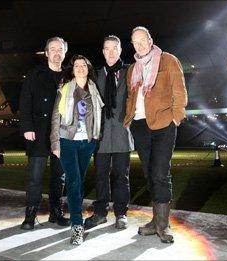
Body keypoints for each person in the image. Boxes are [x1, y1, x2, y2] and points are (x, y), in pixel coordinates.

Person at [123, 26, 188, 243]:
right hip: (140, 126)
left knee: (160, 173)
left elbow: (179, 91)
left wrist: (175, 118)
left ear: (151, 40)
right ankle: (155, 220)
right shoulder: (132, 69)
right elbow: (131, 97)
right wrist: (129, 118)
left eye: (143, 40)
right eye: (135, 42)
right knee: (150, 174)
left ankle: (163, 225)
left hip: (163, 124)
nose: (140, 45)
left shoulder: (168, 60)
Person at [50, 54, 104, 245]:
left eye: (84, 65)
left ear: (88, 69)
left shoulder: (94, 90)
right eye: (77, 65)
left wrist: (95, 135)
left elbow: (98, 116)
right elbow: (56, 117)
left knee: (79, 182)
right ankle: (77, 226)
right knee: (73, 182)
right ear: (72, 70)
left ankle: (75, 214)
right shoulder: (65, 89)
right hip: (67, 141)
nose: (80, 68)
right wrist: (55, 143)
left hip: (86, 143)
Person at [19, 37, 70, 230]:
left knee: (60, 176)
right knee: (35, 176)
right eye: (53, 49)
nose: (57, 52)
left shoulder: (69, 75)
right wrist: (27, 126)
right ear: (47, 53)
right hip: (38, 132)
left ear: (64, 53)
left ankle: (55, 213)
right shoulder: (35, 74)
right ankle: (30, 214)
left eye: (60, 49)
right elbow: (25, 101)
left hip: (62, 133)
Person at [84, 35, 134, 230]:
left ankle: (121, 213)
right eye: (107, 48)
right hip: (101, 135)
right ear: (103, 52)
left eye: (115, 48)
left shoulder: (129, 72)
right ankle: (100, 212)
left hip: (122, 133)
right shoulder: (96, 75)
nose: (111, 52)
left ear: (120, 50)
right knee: (101, 176)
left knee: (122, 176)